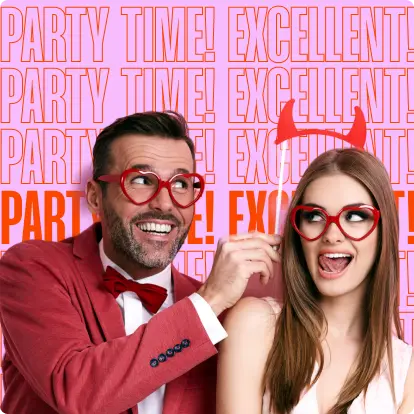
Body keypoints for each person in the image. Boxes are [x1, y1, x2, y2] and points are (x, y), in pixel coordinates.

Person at [0, 111, 283, 414]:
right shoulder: (32, 268)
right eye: (141, 180)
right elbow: (78, 392)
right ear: (95, 197)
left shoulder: (226, 315)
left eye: (181, 184)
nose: (164, 203)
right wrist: (209, 302)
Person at [216, 148, 414, 414]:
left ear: (383, 232)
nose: (332, 235)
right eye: (314, 216)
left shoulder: (405, 371)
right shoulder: (255, 324)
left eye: (355, 216)